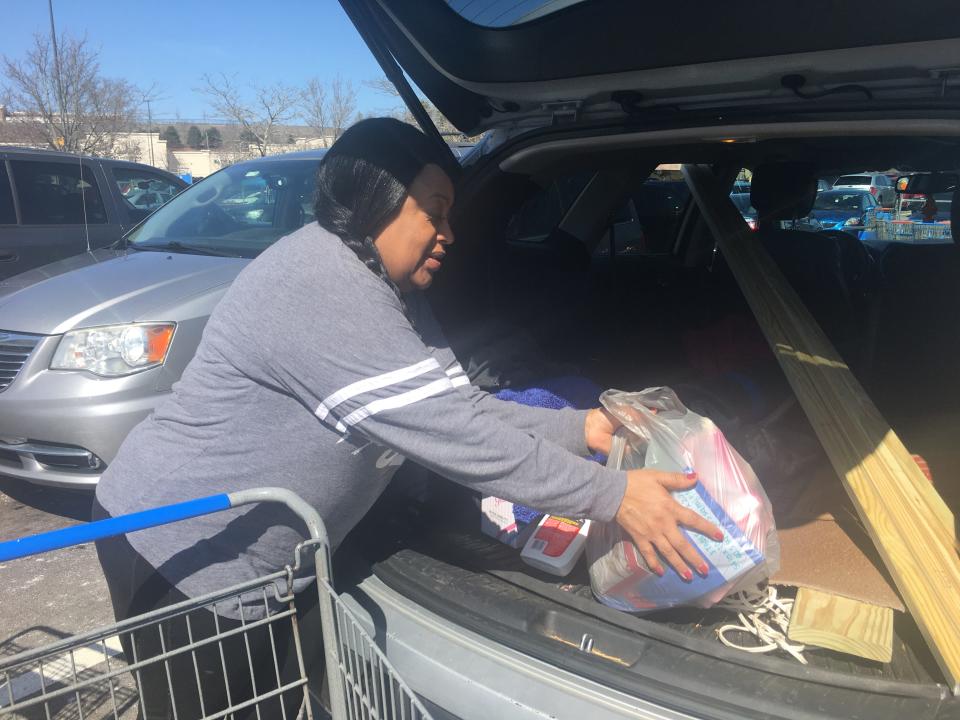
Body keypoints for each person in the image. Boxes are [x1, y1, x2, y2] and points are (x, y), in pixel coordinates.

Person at [93, 117, 720, 718]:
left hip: (269, 557)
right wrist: (612, 495)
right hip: (182, 547)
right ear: (374, 200)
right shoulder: (318, 282)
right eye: (434, 210)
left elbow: (460, 406)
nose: (450, 232)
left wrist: (582, 427)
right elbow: (451, 438)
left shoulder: (388, 289)